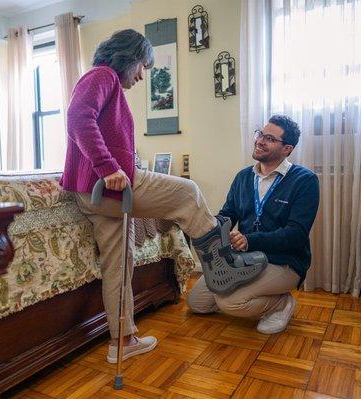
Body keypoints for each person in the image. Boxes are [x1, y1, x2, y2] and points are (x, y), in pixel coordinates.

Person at [60, 29, 237, 363]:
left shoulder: (104, 81)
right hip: (112, 186)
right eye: (143, 65)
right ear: (130, 57)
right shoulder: (102, 76)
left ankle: (122, 342)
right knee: (189, 193)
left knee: (118, 266)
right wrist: (108, 166)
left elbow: (95, 127)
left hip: (96, 194)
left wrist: (110, 164)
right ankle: (221, 262)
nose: (143, 75)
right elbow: (77, 118)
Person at [186, 115, 320, 334]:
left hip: (284, 261)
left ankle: (281, 304)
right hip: (242, 258)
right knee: (197, 304)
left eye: (269, 138)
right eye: (260, 134)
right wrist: (205, 224)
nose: (259, 140)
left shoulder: (305, 180)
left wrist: (249, 240)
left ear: (287, 148)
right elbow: (227, 215)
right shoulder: (243, 177)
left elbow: (295, 234)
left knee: (228, 302)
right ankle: (257, 295)